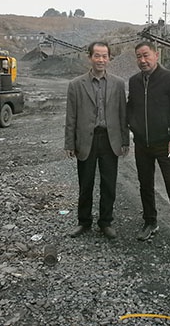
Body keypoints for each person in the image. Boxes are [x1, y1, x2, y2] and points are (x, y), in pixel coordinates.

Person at [127, 41, 170, 250]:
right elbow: (130, 107)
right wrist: (132, 126)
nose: (142, 60)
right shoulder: (134, 81)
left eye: (146, 55)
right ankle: (150, 222)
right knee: (145, 184)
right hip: (142, 144)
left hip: (164, 144)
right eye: (139, 56)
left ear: (156, 55)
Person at [64, 41, 129, 239]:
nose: (101, 60)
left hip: (110, 140)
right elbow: (71, 117)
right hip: (87, 141)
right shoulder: (76, 85)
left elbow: (123, 114)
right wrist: (69, 143)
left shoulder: (118, 84)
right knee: (86, 184)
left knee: (109, 184)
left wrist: (125, 140)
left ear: (109, 58)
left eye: (104, 56)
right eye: (97, 56)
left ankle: (105, 222)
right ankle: (84, 222)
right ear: (90, 57)